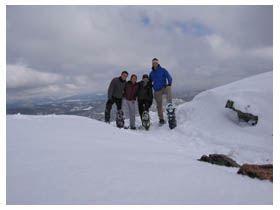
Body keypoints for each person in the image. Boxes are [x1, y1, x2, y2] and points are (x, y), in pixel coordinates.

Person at [149, 58, 173, 124]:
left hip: (164, 87)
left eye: (156, 63)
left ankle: (170, 105)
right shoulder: (151, 73)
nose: (155, 64)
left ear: (158, 63)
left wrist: (169, 83)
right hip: (157, 90)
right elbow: (149, 81)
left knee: (169, 88)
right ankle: (161, 119)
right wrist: (150, 85)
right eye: (153, 63)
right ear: (152, 64)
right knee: (159, 105)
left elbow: (169, 76)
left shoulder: (163, 70)